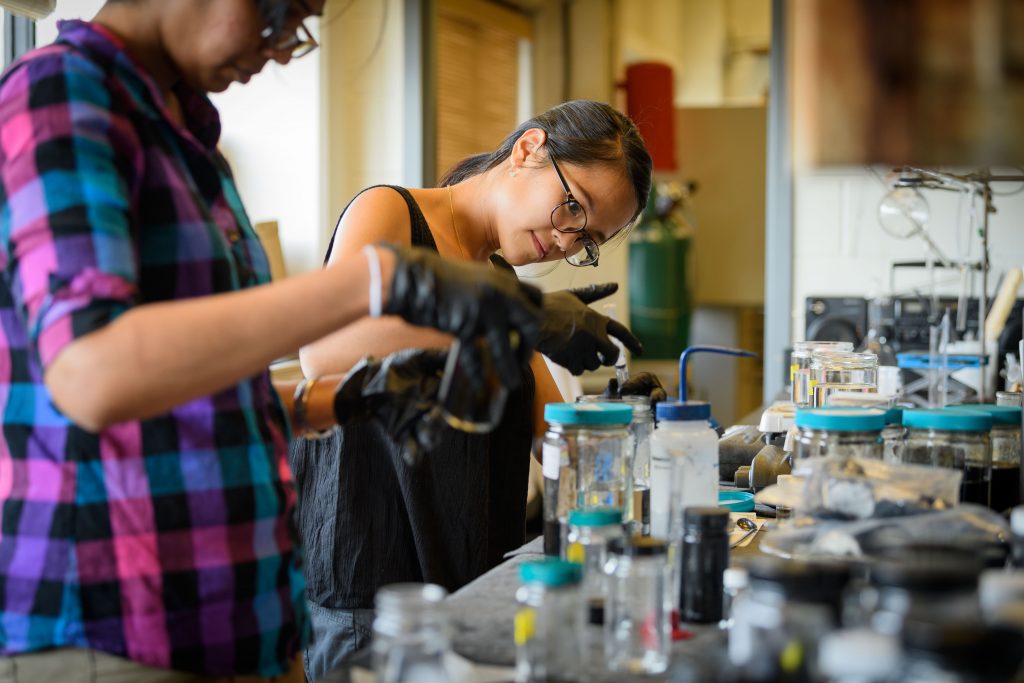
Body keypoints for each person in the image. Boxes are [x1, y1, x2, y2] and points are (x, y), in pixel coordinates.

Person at [0, 1, 567, 680]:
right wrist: (383, 279)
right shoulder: (62, 93)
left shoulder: (192, 144)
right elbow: (92, 373)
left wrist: (347, 400)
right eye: (281, 9)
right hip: (114, 618)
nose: (283, 45)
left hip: (241, 615)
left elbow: (201, 393)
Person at [293, 99, 654, 678]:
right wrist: (510, 320)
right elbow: (325, 352)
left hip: (462, 568)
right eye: (572, 209)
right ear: (528, 149)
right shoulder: (390, 211)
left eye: (587, 239)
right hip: (373, 576)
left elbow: (549, 428)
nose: (566, 241)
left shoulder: (498, 281)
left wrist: (618, 419)